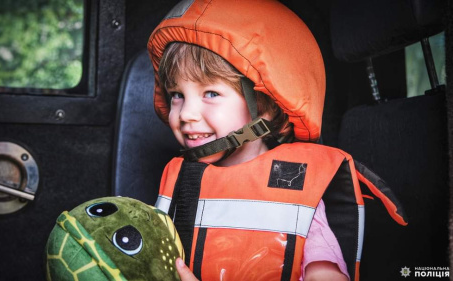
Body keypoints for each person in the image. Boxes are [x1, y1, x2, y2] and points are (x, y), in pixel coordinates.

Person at [146, 0, 407, 280]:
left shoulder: (298, 194)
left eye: (211, 93)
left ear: (267, 106)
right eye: (177, 94)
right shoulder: (178, 178)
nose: (186, 113)